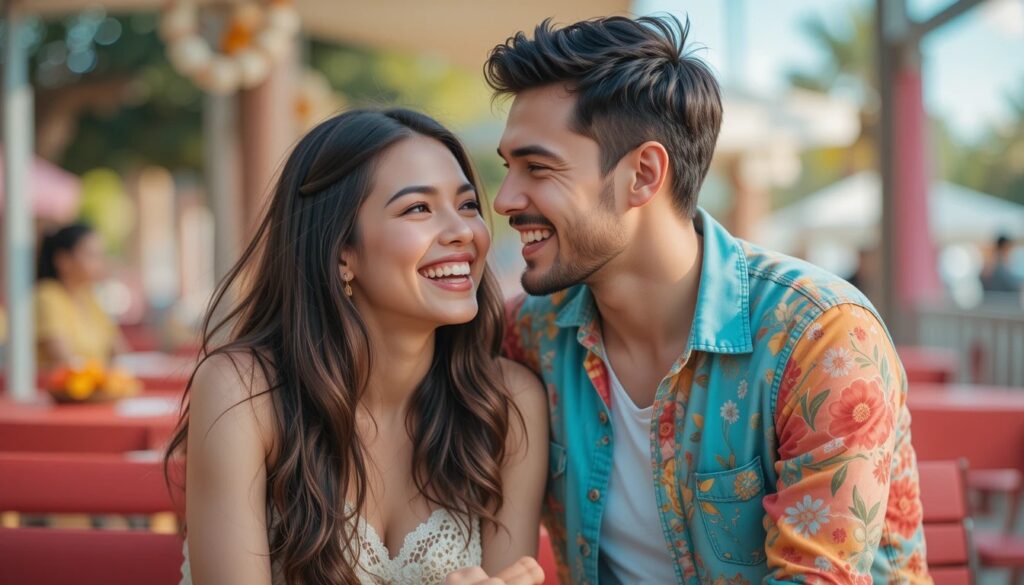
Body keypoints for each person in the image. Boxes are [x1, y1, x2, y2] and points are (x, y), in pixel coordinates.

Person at [487, 15, 929, 584]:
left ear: (643, 174)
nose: (503, 199)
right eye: (507, 168)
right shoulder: (530, 337)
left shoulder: (821, 336)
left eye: (538, 168)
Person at [168, 109, 548, 585]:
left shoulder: (506, 404)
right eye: (418, 208)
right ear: (342, 251)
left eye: (468, 205)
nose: (464, 232)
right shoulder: (243, 392)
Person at [34, 222, 128, 370]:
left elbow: (120, 351)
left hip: (95, 387)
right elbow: (66, 363)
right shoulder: (47, 296)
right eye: (91, 255)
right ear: (63, 260)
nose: (100, 263)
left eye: (100, 255)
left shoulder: (89, 297)